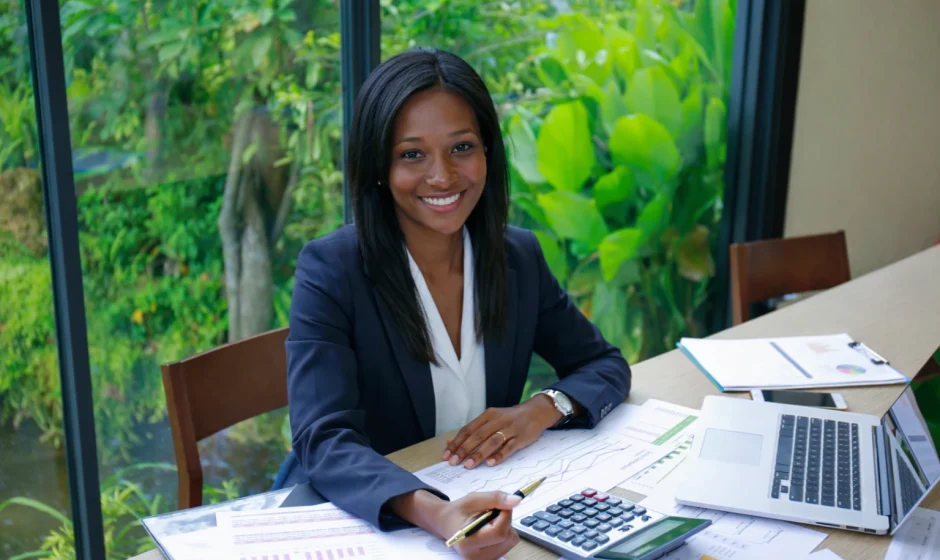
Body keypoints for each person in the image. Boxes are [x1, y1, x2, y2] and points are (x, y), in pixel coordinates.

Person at [285, 47, 631, 560]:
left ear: (487, 152)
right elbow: (323, 439)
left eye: (461, 147)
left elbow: (604, 364)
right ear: (378, 165)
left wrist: (541, 409)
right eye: (412, 154)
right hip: (364, 523)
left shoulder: (517, 257)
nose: (443, 177)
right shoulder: (331, 270)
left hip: (485, 510)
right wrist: (436, 512)